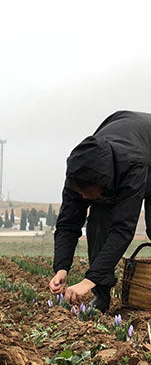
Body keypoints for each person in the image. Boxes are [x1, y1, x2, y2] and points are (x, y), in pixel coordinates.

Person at [49, 110, 151, 311]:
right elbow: (68, 224)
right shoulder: (80, 172)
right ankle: (102, 294)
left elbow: (123, 229)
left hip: (145, 151)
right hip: (123, 139)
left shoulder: (133, 166)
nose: (83, 196)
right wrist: (61, 267)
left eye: (86, 191)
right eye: (80, 191)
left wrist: (88, 281)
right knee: (98, 221)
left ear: (102, 180)